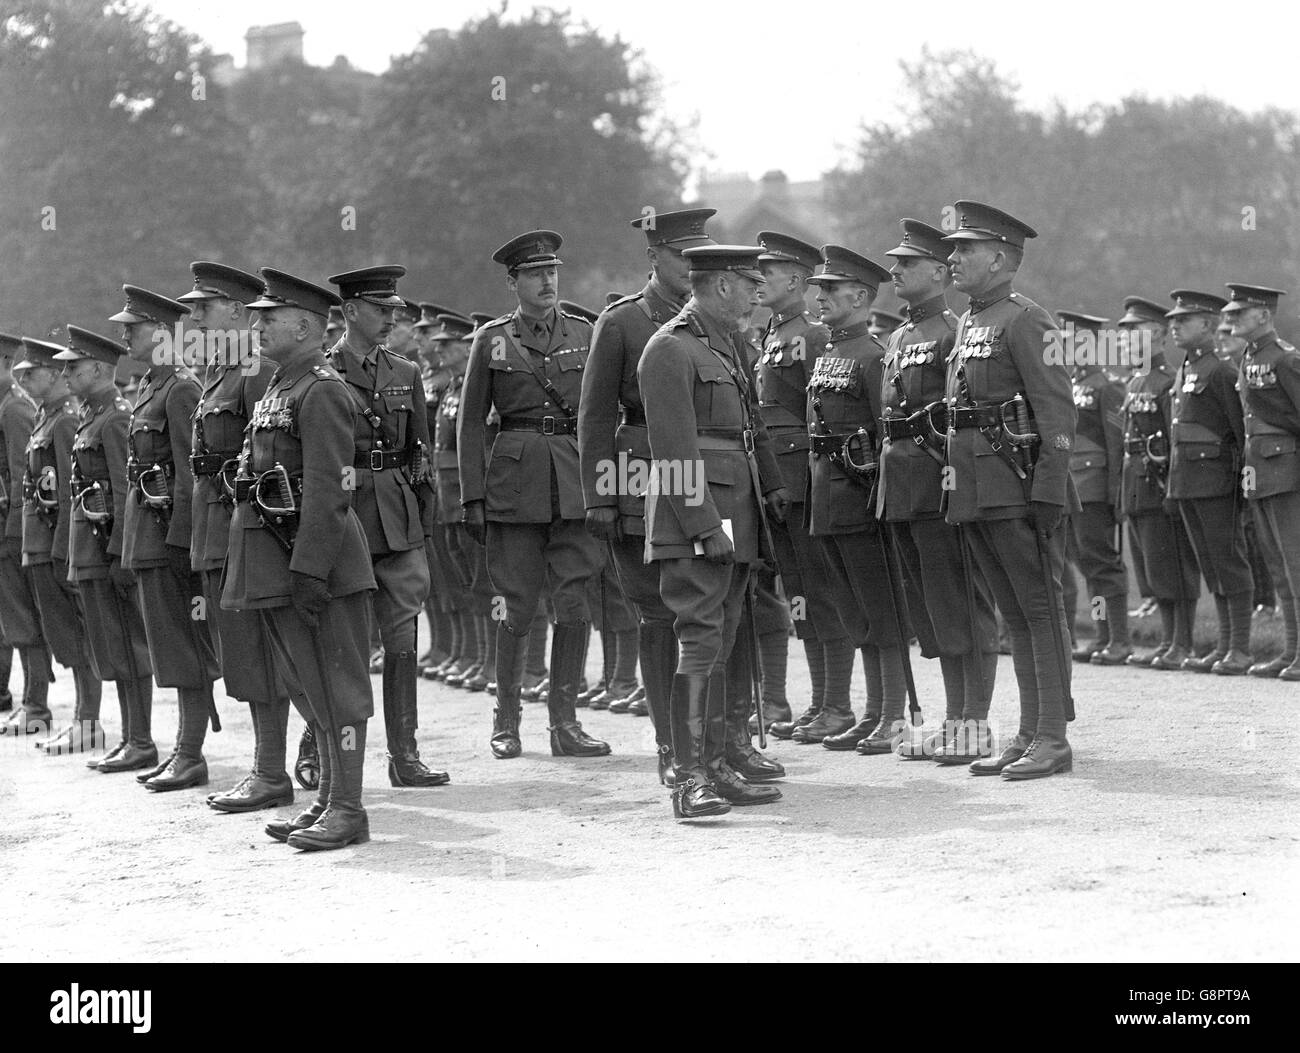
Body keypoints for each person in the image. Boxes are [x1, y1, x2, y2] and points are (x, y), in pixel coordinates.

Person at [223, 268, 378, 850]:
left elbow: (331, 487)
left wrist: (311, 568)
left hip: (320, 566)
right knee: (309, 686)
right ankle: (326, 802)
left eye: (269, 317)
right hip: (280, 560)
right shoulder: (280, 388)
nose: (257, 325)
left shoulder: (322, 390)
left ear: (307, 326)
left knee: (339, 690)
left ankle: (348, 808)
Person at [639, 244, 789, 817]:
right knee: (699, 641)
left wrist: (770, 488)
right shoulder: (669, 348)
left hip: (737, 513)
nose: (758, 292)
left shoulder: (724, 346)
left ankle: (719, 762)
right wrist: (705, 525)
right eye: (750, 282)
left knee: (723, 641)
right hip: (695, 521)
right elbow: (671, 450)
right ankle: (689, 778)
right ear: (721, 285)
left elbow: (750, 429)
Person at [459, 230, 610, 760]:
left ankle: (565, 722)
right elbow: (471, 421)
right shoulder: (492, 339)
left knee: (573, 600)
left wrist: (604, 486)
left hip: (573, 481)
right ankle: (507, 721)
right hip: (514, 484)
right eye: (534, 274)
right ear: (513, 282)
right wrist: (472, 498)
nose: (547, 281)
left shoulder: (586, 333)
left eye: (552, 272)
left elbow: (601, 414)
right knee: (515, 605)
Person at [942, 201, 1078, 779]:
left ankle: (1052, 737)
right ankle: (1028, 732)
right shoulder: (973, 319)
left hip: (1019, 490)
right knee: (1014, 617)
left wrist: (1048, 491)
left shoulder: (1027, 319)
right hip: (977, 489)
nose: (951, 258)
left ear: (998, 258)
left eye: (963, 249)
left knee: (1039, 612)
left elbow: (1058, 412)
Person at [179, 261, 300, 811]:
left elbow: (269, 461)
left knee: (260, 652)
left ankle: (272, 771)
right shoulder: (218, 373)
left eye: (204, 308)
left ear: (234, 312)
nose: (194, 317)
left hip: (246, 532)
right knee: (241, 654)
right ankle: (269, 767)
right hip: (216, 530)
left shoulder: (253, 373)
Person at [878, 219, 999, 761]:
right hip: (903, 486)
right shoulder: (900, 337)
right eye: (895, 263)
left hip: (942, 486)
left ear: (937, 272)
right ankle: (954, 719)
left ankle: (974, 722)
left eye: (907, 263)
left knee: (961, 604)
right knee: (931, 608)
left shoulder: (952, 331)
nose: (895, 270)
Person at [326, 265, 448, 787]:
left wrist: (424, 517)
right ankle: (323, 751)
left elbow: (421, 451)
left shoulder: (406, 372)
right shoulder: (322, 373)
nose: (390, 320)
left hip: (397, 518)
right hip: (345, 516)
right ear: (351, 312)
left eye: (394, 311)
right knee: (340, 642)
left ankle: (405, 755)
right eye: (380, 310)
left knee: (402, 635)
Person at [804, 243, 923, 755]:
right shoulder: (830, 350)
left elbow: (885, 433)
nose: (822, 295)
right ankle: (873, 711)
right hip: (825, 494)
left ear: (860, 296)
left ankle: (893, 714)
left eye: (832, 289)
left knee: (881, 608)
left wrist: (879, 494)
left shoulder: (873, 357)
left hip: (860, 495)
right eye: (821, 288)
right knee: (854, 610)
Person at [747, 231, 858, 746]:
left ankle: (838, 703)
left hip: (806, 481)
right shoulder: (770, 336)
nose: (757, 282)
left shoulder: (811, 337)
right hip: (778, 481)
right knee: (799, 596)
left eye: (766, 274)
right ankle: (818, 702)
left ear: (795, 280)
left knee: (822, 591)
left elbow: (826, 413)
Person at [109, 285, 221, 791]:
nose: (125, 335)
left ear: (160, 332)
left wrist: (183, 544)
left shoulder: (179, 389)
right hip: (147, 538)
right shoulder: (151, 386)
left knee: (184, 648)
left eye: (132, 328)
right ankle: (182, 749)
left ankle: (190, 753)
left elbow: (187, 472)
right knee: (169, 649)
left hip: (168, 539)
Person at [55, 327, 156, 772]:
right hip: (90, 550)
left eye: (73, 368)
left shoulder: (114, 418)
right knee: (110, 648)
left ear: (98, 368)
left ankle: (142, 739)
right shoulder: (90, 416)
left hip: (106, 549)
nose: (66, 375)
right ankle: (132, 737)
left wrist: (119, 553)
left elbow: (123, 488)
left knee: (128, 645)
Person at [16, 337, 101, 750]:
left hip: (57, 541)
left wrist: (65, 546)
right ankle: (82, 720)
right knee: (64, 635)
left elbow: (71, 490)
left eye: (32, 372)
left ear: (52, 374)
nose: (25, 379)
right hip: (41, 539)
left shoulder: (65, 420)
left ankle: (88, 722)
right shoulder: (45, 417)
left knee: (80, 635)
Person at [1165, 289, 1253, 675]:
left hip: (1217, 482)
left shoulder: (1221, 372)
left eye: (1182, 321)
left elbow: (1240, 433)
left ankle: (1240, 648)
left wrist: (1242, 484)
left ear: (1207, 325)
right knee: (1211, 565)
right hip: (1188, 481)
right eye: (1172, 321)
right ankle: (1223, 645)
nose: (1174, 327)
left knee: (1228, 561)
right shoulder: (1186, 369)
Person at [1117, 296, 1201, 668]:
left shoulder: (1167, 381)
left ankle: (1182, 642)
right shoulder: (1135, 380)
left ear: (1158, 335)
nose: (1125, 340)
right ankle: (1168, 641)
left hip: (1159, 480)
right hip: (1135, 480)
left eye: (1134, 332)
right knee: (1153, 568)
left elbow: (1174, 438)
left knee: (1173, 565)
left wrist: (1171, 486)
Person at [1228, 283, 1300, 681]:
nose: (1233, 318)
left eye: (1241, 312)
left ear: (1265, 316)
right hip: (1260, 471)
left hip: (1287, 472)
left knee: (1296, 565)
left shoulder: (1285, 359)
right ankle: (1291, 651)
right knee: (1277, 567)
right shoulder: (1248, 357)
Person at [1056, 310, 1130, 664]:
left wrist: (1117, 493)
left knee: (1102, 563)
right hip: (1072, 486)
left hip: (1096, 486)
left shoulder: (1108, 385)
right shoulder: (1068, 383)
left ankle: (1120, 639)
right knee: (1086, 563)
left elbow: (1116, 445)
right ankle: (1103, 636)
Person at [0, 332, 54, 736]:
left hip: (11, 531)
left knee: (24, 618)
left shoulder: (14, 409)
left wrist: (16, 534)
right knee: (14, 620)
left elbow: (23, 478)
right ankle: (29, 701)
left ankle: (36, 703)